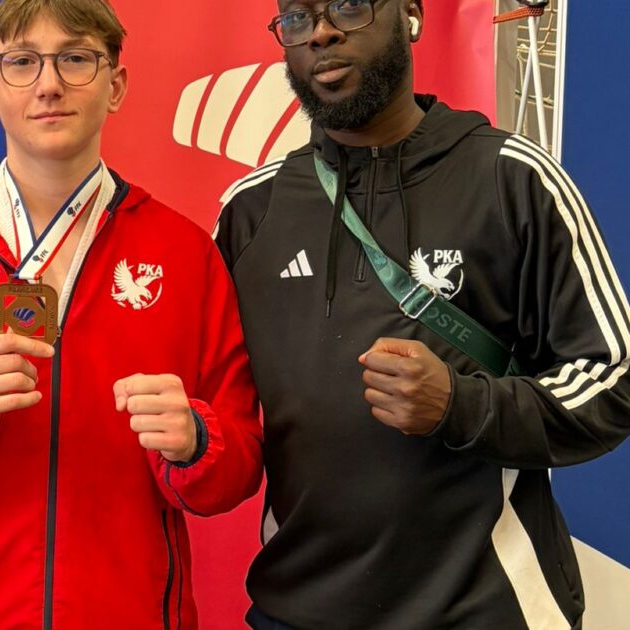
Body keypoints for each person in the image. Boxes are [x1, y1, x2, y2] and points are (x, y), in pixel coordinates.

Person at [0, 0, 263, 627]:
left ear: (116, 85)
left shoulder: (185, 253)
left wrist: (198, 441)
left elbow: (241, 463)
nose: (49, 84)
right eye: (23, 62)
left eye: (76, 59)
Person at [215, 0, 630, 628]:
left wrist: (461, 407)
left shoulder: (512, 179)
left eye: (347, 6)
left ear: (409, 14)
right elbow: (217, 412)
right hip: (299, 609)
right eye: (296, 17)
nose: (320, 32)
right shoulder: (249, 211)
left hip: (485, 609)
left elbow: (614, 378)